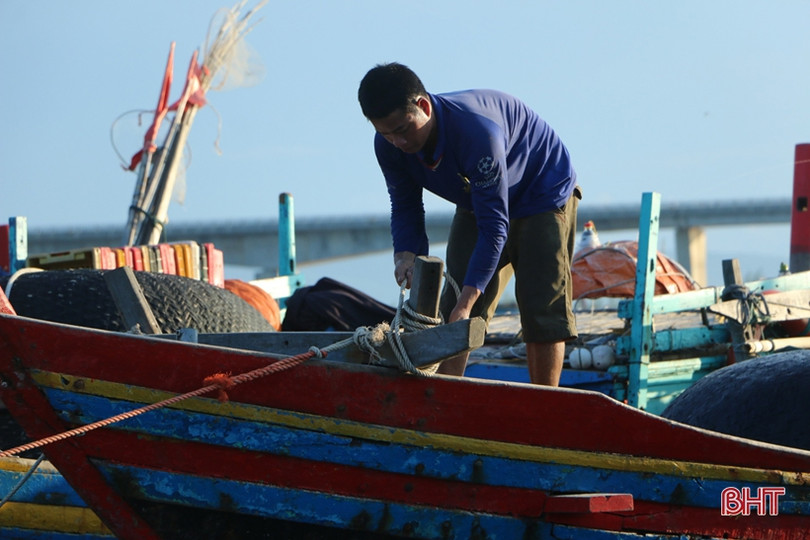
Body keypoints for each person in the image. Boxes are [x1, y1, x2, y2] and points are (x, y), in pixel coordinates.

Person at [357, 62, 580, 386]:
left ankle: (543, 403)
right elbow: (405, 205)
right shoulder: (389, 146)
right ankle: (443, 402)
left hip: (540, 191)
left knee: (540, 310)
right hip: (477, 196)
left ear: (423, 106)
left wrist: (467, 302)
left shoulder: (477, 134)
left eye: (403, 130)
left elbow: (494, 229)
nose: (399, 143)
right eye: (385, 133)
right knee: (452, 312)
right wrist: (405, 255)